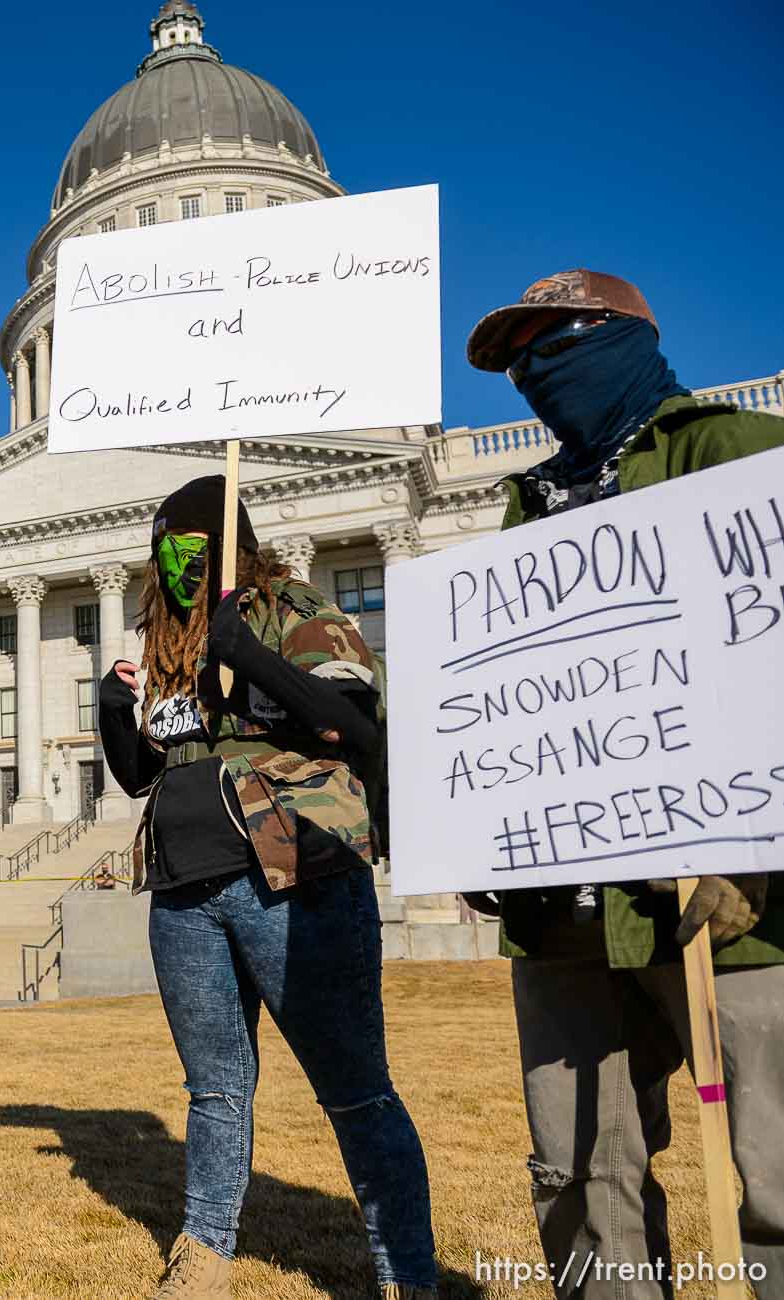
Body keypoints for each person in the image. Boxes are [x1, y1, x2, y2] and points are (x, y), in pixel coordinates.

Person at [462, 270, 784, 1292]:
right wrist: (469, 827)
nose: (532, 370)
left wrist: (759, 843)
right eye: (519, 358)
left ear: (625, 335)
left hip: (733, 910)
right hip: (560, 916)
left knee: (774, 1178)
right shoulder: (524, 511)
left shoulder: (741, 457)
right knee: (578, 1176)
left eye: (556, 340)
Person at [96, 478, 436, 1299]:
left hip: (291, 871)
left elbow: (355, 724)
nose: (173, 559)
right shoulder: (167, 644)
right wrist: (114, 709)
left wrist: (242, 651)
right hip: (182, 885)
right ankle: (204, 1254)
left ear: (227, 543)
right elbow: (145, 773)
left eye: (188, 541)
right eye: (163, 545)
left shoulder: (292, 606)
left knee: (353, 1089)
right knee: (213, 1089)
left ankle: (405, 1271)